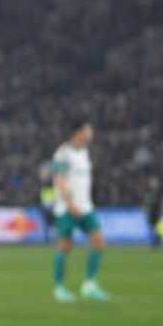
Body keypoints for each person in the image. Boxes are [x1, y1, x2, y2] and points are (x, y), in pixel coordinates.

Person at [51, 121, 111, 302]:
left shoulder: (85, 152)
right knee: (65, 246)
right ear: (78, 132)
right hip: (67, 208)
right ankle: (59, 288)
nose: (91, 134)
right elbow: (60, 180)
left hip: (85, 206)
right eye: (87, 130)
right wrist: (70, 204)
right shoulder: (63, 153)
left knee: (99, 241)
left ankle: (89, 285)